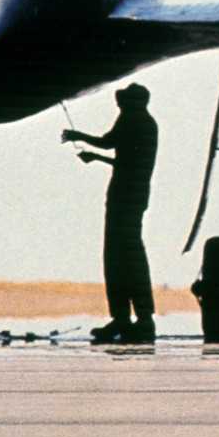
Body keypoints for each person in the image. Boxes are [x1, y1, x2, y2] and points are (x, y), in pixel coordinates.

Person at [63, 82, 160, 344]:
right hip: (134, 195)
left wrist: (77, 136)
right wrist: (95, 157)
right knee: (129, 255)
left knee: (120, 257)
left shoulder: (133, 120)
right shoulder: (145, 123)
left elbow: (108, 143)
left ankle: (128, 318)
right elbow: (125, 160)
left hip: (124, 197)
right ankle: (135, 319)